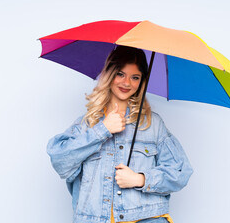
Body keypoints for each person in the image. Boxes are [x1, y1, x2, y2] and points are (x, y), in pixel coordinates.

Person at [47, 46, 193, 223]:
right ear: (109, 74)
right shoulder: (88, 124)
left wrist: (140, 179)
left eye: (135, 77)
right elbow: (60, 161)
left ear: (142, 82)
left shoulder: (152, 124)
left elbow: (180, 171)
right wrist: (102, 130)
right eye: (120, 74)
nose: (127, 83)